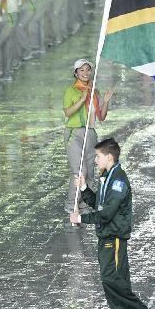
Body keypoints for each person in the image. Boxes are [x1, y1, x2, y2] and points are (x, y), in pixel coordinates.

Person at [70, 138, 152, 309]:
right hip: (106, 237)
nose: (95, 160)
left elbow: (105, 214)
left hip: (113, 238)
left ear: (109, 157)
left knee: (113, 280)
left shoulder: (118, 182)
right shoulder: (108, 177)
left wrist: (80, 218)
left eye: (98, 156)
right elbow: (99, 204)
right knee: (115, 280)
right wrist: (84, 188)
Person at [63, 59, 113, 210]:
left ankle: (85, 203)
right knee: (80, 171)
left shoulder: (94, 92)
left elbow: (101, 117)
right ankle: (72, 204)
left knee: (90, 172)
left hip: (90, 133)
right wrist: (82, 99)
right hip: (74, 133)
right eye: (81, 70)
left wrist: (105, 102)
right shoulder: (71, 91)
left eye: (88, 69)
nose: (85, 73)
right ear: (75, 73)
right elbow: (68, 112)